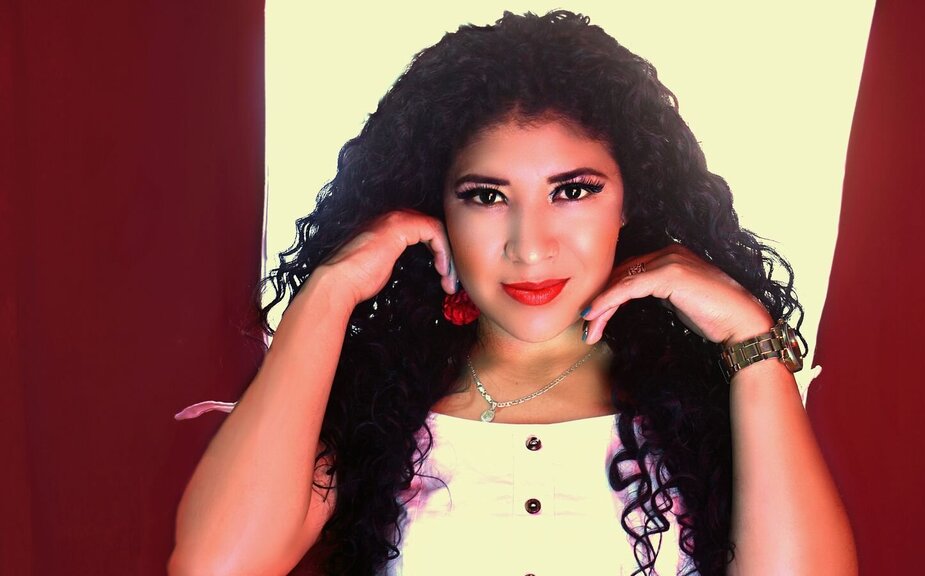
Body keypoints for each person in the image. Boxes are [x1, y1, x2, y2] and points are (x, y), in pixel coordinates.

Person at [169, 10, 857, 576]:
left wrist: (749, 339)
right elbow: (216, 566)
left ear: (631, 200)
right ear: (434, 206)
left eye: (573, 190)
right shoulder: (373, 404)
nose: (530, 247)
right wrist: (333, 285)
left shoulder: (709, 402)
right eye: (487, 196)